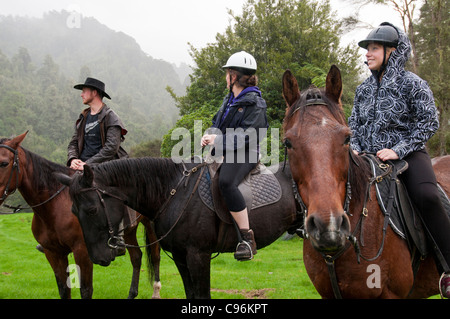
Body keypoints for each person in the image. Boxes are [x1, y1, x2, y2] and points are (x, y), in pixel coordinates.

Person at [348, 22, 450, 298]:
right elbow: (353, 125)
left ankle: (448, 268)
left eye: (374, 48)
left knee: (427, 195)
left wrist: (399, 149)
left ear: (392, 51)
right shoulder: (363, 89)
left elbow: (430, 122)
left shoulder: (413, 83)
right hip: (367, 159)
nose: (367, 54)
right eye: (367, 49)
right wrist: (355, 148)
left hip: (408, 155)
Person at [201, 51, 268, 261]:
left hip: (246, 153)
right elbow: (217, 122)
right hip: (225, 151)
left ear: (234, 77)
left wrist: (218, 141)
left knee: (226, 182)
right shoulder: (230, 99)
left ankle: (247, 239)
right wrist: (210, 133)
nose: (225, 78)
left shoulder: (256, 103)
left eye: (227, 74)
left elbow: (248, 135)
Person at [67, 77, 128, 170]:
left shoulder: (111, 117)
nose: (81, 95)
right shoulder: (83, 117)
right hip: (81, 167)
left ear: (94, 92)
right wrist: (73, 159)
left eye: (84, 91)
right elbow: (74, 143)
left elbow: (111, 148)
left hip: (103, 169)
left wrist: (87, 164)